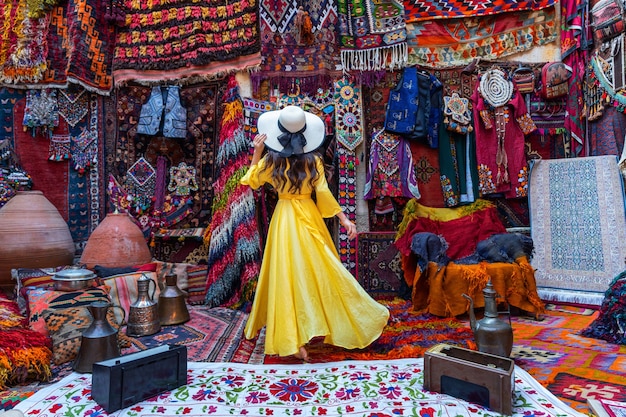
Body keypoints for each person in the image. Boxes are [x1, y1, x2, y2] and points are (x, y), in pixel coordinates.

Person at [241, 105, 390, 361]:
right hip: (308, 216)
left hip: (285, 219)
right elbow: (323, 193)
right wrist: (344, 220)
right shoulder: (315, 161)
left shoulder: (270, 160)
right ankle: (351, 319)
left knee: (287, 276)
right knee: (322, 270)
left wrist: (257, 152)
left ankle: (294, 338)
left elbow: (252, 180)